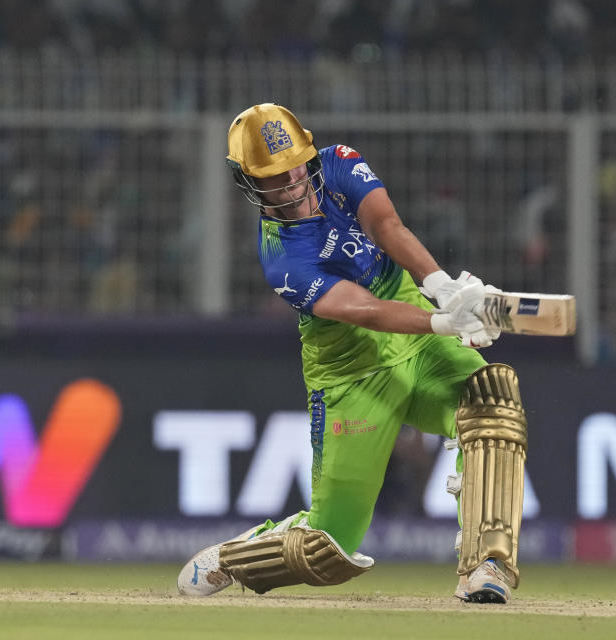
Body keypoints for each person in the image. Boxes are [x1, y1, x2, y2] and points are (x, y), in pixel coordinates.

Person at [177, 103, 528, 604]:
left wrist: (441, 286)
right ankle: (236, 556)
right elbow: (363, 310)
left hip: (419, 342)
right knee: (328, 547)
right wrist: (445, 321)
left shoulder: (340, 162)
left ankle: (486, 565)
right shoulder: (282, 258)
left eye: (296, 164)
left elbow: (388, 226)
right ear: (250, 182)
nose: (293, 181)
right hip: (350, 374)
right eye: (274, 176)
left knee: (493, 401)